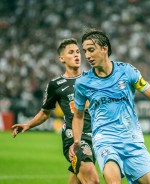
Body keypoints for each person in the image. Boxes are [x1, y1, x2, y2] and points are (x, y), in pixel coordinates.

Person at [70, 29, 150, 184]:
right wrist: (77, 140)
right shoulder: (82, 83)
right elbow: (78, 115)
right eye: (85, 51)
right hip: (105, 142)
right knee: (113, 180)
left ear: (104, 48)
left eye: (91, 50)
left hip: (133, 142)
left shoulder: (127, 71)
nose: (87, 56)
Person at [11, 38, 100, 184]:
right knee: (92, 179)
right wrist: (28, 124)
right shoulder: (55, 85)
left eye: (78, 52)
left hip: (96, 137)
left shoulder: (92, 78)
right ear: (62, 58)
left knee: (78, 179)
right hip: (74, 139)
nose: (76, 55)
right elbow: (45, 112)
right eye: (71, 52)